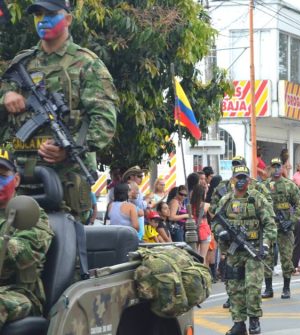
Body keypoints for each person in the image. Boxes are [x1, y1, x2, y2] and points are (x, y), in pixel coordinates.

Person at [0, 0, 117, 223]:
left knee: (66, 252)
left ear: (68, 19)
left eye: (50, 14)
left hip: (66, 182)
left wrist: (69, 146)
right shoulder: (22, 64)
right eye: (38, 14)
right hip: (19, 179)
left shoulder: (87, 64)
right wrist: (4, 98)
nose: (43, 20)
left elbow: (104, 122)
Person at [212, 165, 276, 335]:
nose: (241, 181)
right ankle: (239, 323)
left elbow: (270, 224)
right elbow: (216, 221)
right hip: (234, 252)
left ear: (249, 179)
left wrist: (265, 245)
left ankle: (254, 320)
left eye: (244, 178)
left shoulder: (257, 199)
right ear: (232, 179)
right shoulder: (225, 200)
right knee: (234, 287)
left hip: (253, 249)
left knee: (252, 286)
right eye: (238, 178)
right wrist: (221, 232)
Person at [0, 148, 54, 331]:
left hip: (19, 293)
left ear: (16, 180)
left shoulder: (32, 214)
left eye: (2, 175)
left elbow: (23, 252)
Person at [261, 158, 300, 299]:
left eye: (279, 166)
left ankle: (286, 288)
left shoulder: (289, 186)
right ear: (270, 168)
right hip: (270, 226)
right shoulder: (264, 186)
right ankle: (268, 288)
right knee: (267, 256)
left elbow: (299, 205)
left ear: (282, 168)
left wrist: (291, 221)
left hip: (285, 227)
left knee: (286, 257)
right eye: (274, 167)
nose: (277, 169)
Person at [191, 184, 212, 260]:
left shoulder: (189, 206)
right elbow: (213, 216)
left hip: (193, 232)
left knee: (193, 257)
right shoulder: (206, 205)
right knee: (202, 258)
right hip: (205, 232)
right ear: (203, 194)